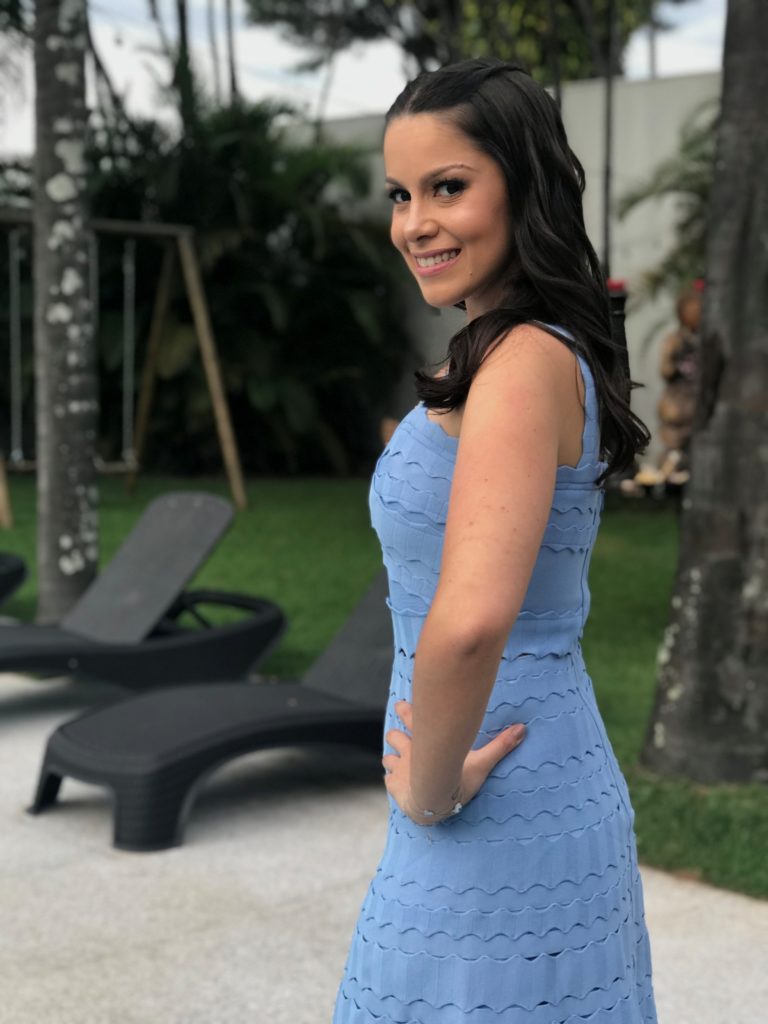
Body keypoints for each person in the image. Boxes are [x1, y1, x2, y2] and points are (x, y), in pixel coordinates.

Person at [332, 57, 657, 1024]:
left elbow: (472, 622)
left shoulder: (519, 363)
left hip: (491, 803)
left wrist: (429, 792)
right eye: (400, 194)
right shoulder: (520, 352)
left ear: (525, 187)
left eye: (448, 187)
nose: (414, 223)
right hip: (509, 787)